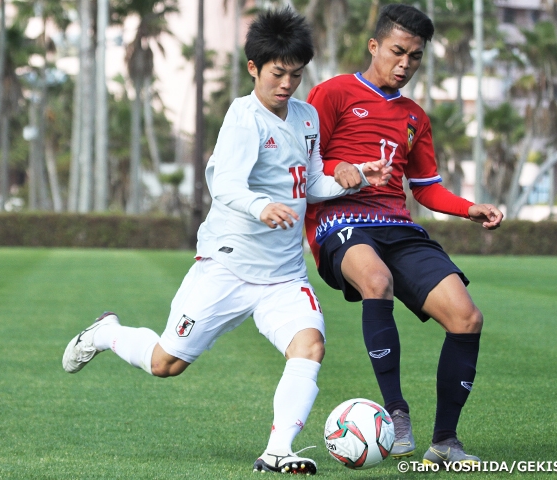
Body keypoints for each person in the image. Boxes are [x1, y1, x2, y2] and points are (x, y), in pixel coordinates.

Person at [62, 7, 390, 476]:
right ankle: (107, 332)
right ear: (253, 67)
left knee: (309, 345)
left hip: (282, 274)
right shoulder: (243, 117)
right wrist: (263, 206)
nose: (287, 85)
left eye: (296, 75)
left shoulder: (307, 117)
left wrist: (355, 177)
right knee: (165, 364)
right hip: (228, 266)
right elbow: (226, 183)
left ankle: (278, 450)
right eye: (278, 74)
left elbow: (311, 181)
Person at [304, 3, 503, 466]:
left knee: (466, 318)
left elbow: (427, 188)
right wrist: (346, 169)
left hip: (398, 224)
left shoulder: (415, 116)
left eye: (415, 57)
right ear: (374, 46)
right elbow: (308, 163)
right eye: (397, 52)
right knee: (376, 281)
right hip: (341, 220)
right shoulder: (332, 94)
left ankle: (446, 442)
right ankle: (395, 413)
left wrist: (469, 208)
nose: (405, 64)